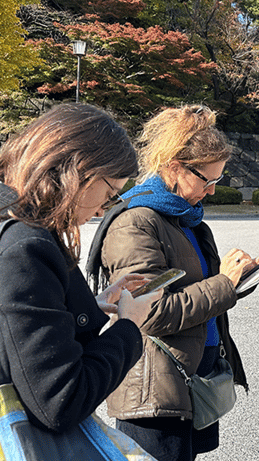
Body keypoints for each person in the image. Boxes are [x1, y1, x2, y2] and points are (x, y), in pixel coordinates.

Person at [86, 105, 259, 461]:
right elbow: (151, 312)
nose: (211, 191)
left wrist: (239, 276)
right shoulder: (135, 221)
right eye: (206, 180)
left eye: (217, 181)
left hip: (193, 380)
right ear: (174, 166)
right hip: (155, 390)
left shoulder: (187, 218)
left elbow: (204, 288)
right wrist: (224, 283)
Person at [0, 104, 159, 436]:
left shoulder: (10, 216)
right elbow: (61, 402)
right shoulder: (27, 247)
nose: (103, 208)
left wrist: (85, 306)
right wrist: (129, 326)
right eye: (110, 193)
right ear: (79, 171)